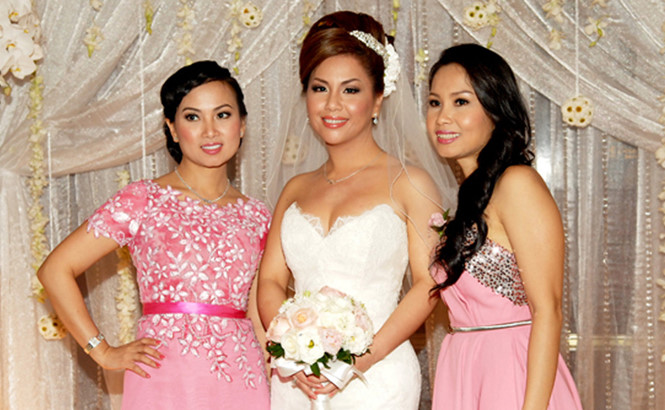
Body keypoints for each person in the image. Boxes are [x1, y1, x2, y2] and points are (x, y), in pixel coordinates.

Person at [37, 61, 271, 409]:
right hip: (164, 378)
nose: (210, 131)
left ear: (242, 125)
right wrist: (102, 351)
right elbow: (55, 270)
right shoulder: (143, 199)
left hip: (243, 380)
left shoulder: (258, 215)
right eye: (193, 117)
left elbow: (257, 314)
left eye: (222, 115)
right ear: (172, 129)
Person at [257, 11, 457, 410]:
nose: (332, 104)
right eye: (319, 88)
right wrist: (294, 353)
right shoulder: (295, 189)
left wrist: (357, 361)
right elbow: (271, 281)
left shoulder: (409, 182)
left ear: (378, 98)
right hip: (298, 380)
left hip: (376, 375)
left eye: (350, 90)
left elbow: (428, 284)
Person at [426, 43, 583, 409]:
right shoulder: (471, 196)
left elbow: (548, 311)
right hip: (463, 370)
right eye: (435, 103)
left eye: (461, 102)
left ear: (496, 110)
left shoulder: (517, 183)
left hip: (513, 375)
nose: (442, 117)